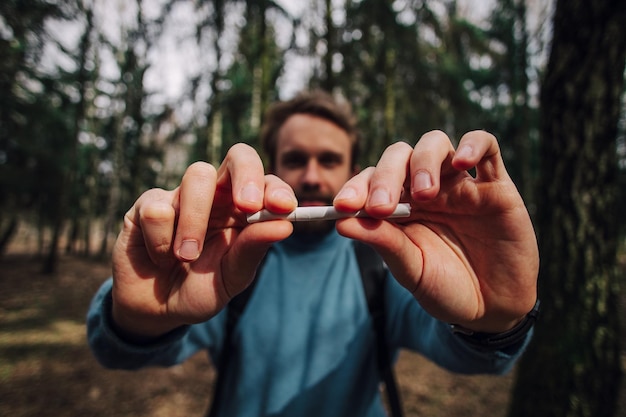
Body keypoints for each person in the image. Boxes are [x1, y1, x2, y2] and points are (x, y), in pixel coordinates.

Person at [87, 90, 539, 417]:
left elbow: (463, 355)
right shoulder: (227, 258)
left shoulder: (386, 262)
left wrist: (494, 321)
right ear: (273, 165)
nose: (310, 176)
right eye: (295, 158)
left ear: (353, 168)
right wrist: (141, 319)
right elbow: (122, 355)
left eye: (328, 160)